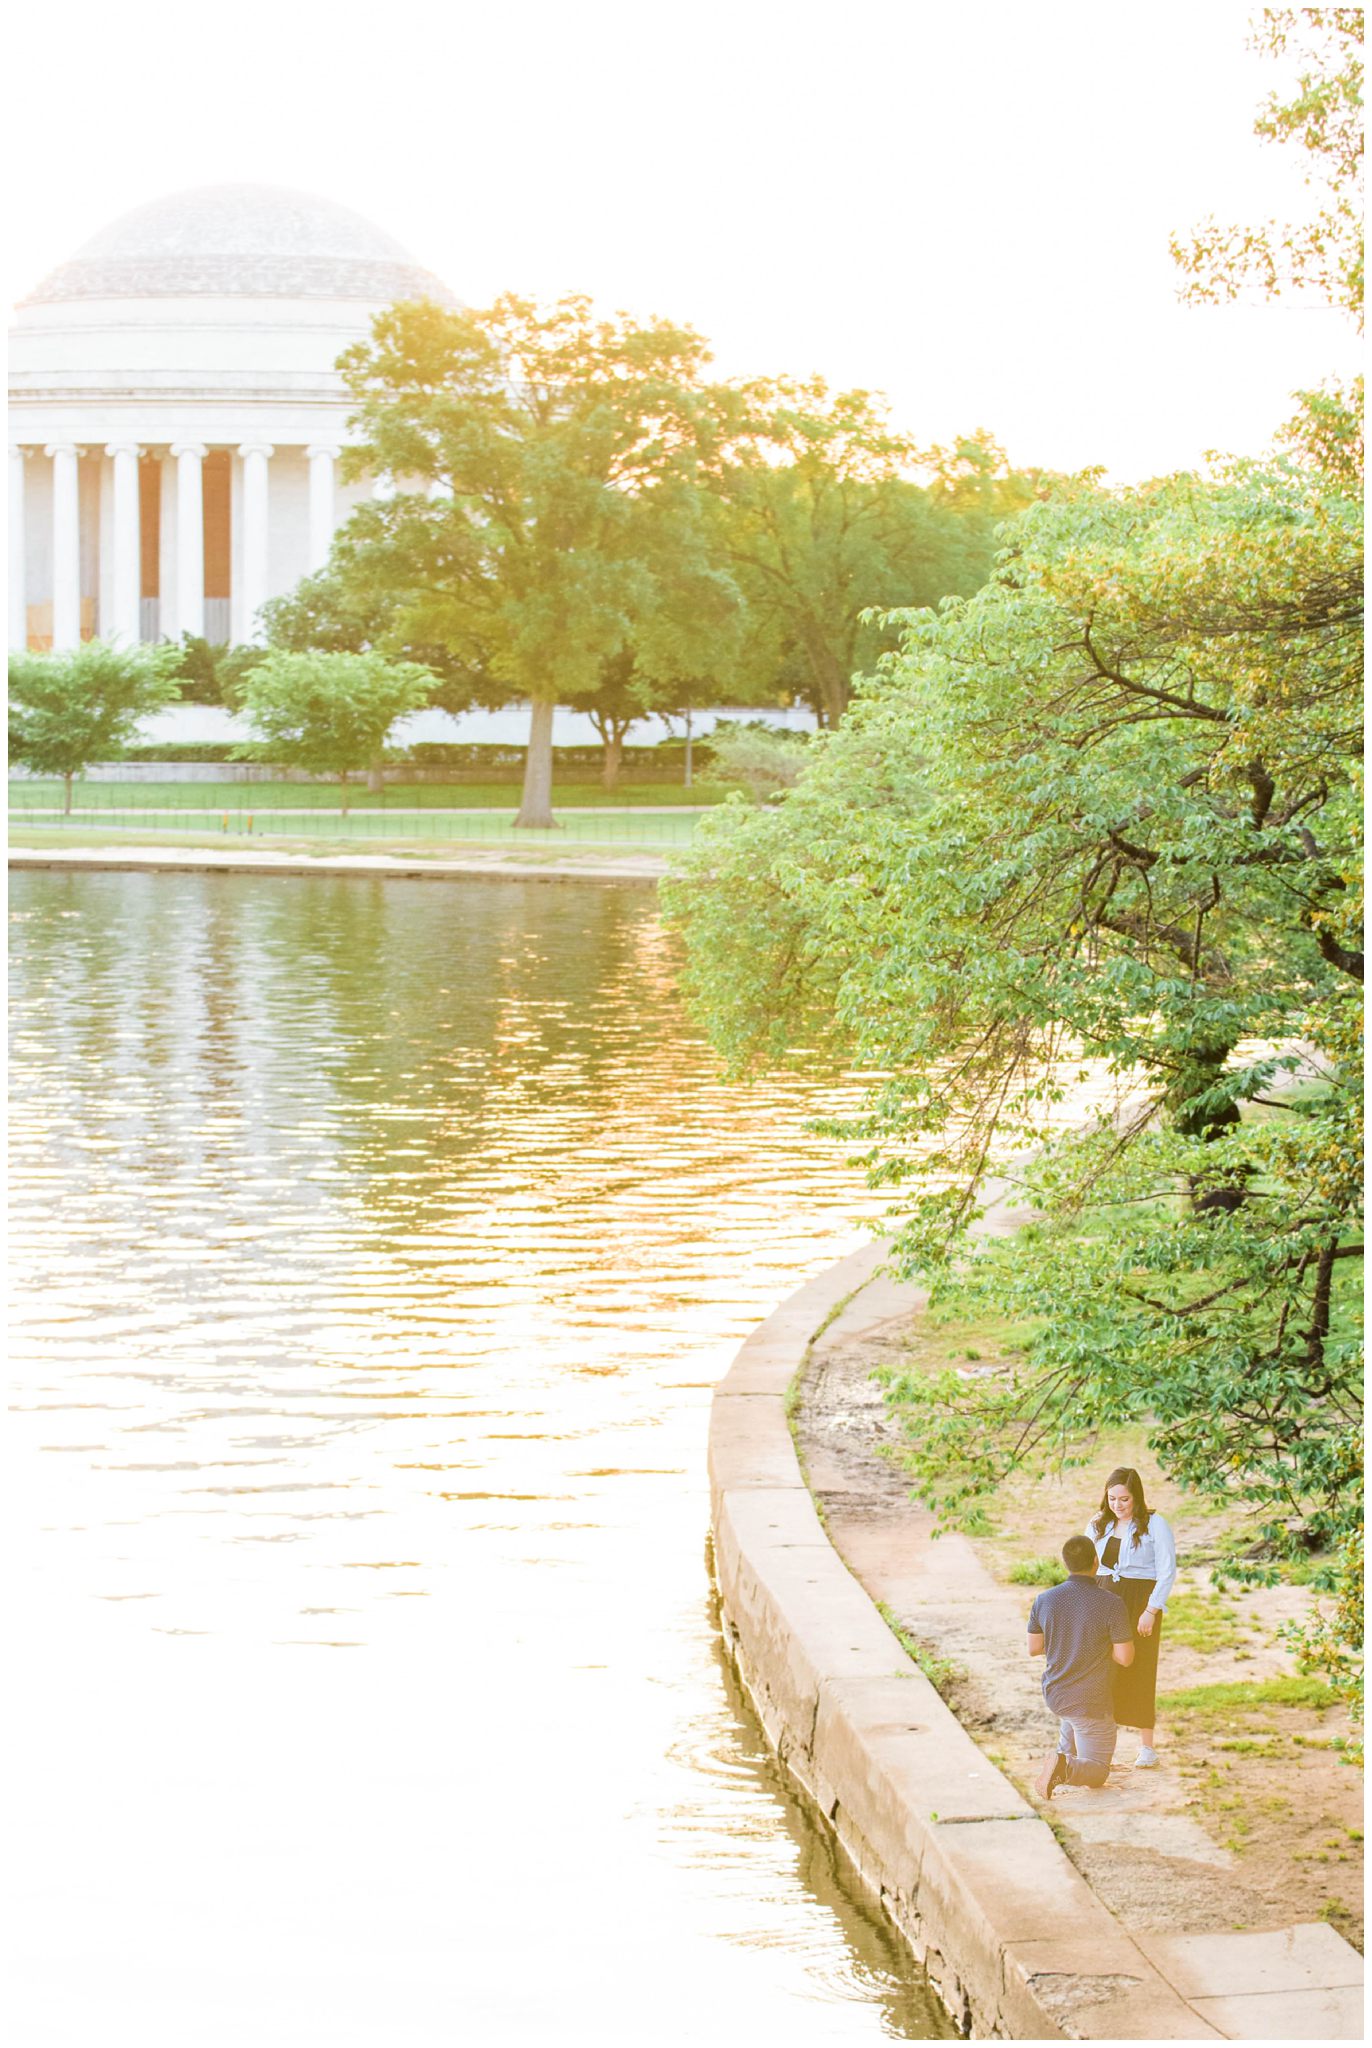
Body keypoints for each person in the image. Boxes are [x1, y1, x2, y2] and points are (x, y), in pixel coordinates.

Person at [1027, 1533, 1134, 1799]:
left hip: (1056, 1692)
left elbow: (1034, 1648)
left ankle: (1061, 1759)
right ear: (1095, 1562)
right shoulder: (1111, 1603)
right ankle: (1064, 1767)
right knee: (1097, 1774)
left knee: (1072, 1721)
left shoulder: (1044, 1599)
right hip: (1091, 1700)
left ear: (1066, 1563)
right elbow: (1125, 1657)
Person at [1086, 1466, 1177, 1768]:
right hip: (1103, 1598)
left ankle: (1146, 1747)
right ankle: (1101, 1744)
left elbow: (1167, 1571)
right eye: (1112, 1498)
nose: (1118, 1505)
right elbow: (1088, 1565)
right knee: (1102, 1668)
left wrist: (1151, 1610)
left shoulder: (1155, 1525)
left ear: (1136, 1497)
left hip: (1140, 1601)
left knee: (1140, 1665)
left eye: (1124, 1499)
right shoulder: (1098, 1524)